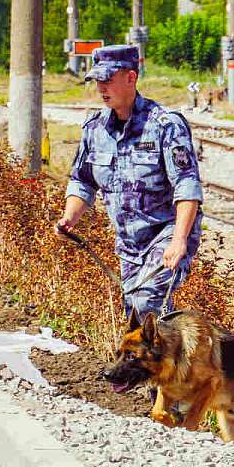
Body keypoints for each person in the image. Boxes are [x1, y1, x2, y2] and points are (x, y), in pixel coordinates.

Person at [56, 44, 204, 320]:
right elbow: (82, 181)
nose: (101, 88)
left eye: (107, 80)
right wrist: (70, 217)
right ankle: (176, 347)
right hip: (129, 244)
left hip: (165, 232)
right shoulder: (95, 129)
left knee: (146, 302)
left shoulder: (165, 125)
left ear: (131, 77)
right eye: (97, 81)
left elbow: (187, 186)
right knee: (135, 315)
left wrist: (179, 240)